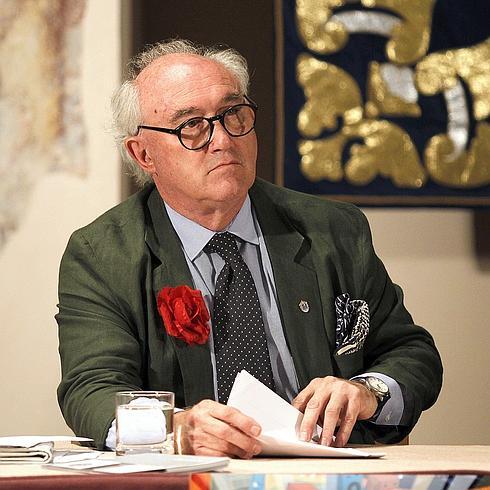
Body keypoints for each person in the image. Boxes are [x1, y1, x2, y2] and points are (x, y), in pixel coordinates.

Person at [56, 39, 442, 458]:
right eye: (192, 125)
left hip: (326, 471)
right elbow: (91, 390)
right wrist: (175, 430)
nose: (223, 139)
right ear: (143, 153)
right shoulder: (102, 254)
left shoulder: (332, 230)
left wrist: (367, 391)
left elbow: (411, 353)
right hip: (194, 474)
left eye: (233, 114)